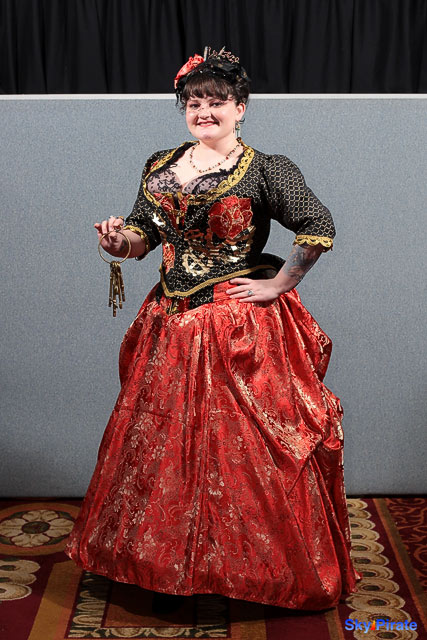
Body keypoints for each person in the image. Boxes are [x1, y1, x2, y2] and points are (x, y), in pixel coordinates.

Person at [64, 47, 361, 613]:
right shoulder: (161, 164)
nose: (204, 112)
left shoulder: (267, 168)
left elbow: (317, 224)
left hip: (233, 325)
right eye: (194, 103)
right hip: (171, 322)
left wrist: (279, 285)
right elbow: (143, 233)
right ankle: (165, 568)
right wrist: (118, 242)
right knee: (165, 445)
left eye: (216, 102)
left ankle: (251, 572)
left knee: (241, 452)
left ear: (240, 108)